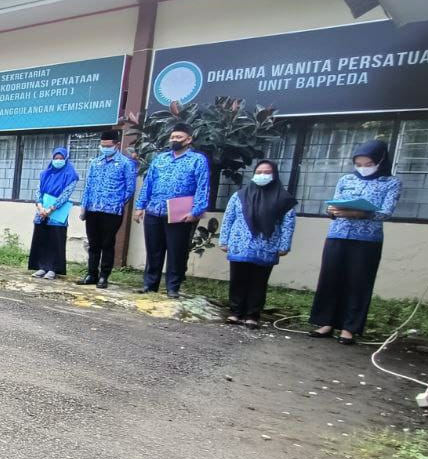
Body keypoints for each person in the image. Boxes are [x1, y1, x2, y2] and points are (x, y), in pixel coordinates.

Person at [309, 139, 402, 345]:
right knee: (330, 278)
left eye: (368, 164)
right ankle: (326, 323)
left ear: (380, 161)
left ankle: (349, 328)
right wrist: (332, 211)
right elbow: (334, 205)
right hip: (338, 234)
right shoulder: (346, 179)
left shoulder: (391, 182)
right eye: (358, 164)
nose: (363, 168)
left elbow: (386, 212)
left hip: (367, 240)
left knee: (358, 282)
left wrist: (361, 213)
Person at [133, 122, 211, 298]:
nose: (174, 140)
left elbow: (203, 187)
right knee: (153, 249)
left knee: (176, 251)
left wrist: (196, 211)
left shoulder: (197, 160)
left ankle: (172, 287)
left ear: (189, 139)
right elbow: (148, 184)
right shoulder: (160, 159)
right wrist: (140, 206)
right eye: (173, 137)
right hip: (154, 210)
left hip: (179, 213)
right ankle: (150, 284)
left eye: (179, 137)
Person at [219, 160, 296, 328]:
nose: (262, 175)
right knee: (238, 279)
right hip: (240, 243)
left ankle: (252, 315)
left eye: (267, 172)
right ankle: (235, 312)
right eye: (259, 172)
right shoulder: (239, 195)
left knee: (258, 281)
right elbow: (229, 218)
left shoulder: (284, 199)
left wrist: (284, 245)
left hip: (266, 245)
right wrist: (224, 240)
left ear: (274, 175)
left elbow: (288, 224)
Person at [78, 130, 137, 288]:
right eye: (102, 145)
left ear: (117, 145)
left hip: (112, 211)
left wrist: (116, 203)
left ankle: (104, 276)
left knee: (107, 243)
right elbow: (88, 186)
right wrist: (84, 206)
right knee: (93, 243)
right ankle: (91, 274)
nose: (105, 148)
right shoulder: (95, 162)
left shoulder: (126, 163)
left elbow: (130, 189)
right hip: (92, 209)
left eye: (108, 146)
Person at [28, 147, 79, 280]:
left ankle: (53, 269)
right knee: (41, 239)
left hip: (57, 213)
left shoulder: (70, 175)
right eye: (55, 158)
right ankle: (41, 267)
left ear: (66, 159)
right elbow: (38, 191)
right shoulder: (45, 174)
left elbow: (66, 194)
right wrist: (40, 207)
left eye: (61, 158)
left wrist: (51, 208)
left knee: (55, 240)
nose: (58, 161)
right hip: (42, 211)